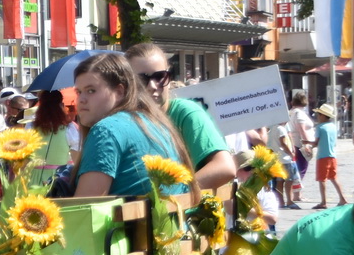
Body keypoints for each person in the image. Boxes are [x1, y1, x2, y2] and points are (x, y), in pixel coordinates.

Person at [72, 52, 195, 197]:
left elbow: (84, 209)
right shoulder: (158, 124)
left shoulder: (106, 130)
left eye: (91, 91)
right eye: (79, 92)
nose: (81, 100)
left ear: (119, 91)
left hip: (131, 220)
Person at [125, 42, 236, 190]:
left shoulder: (186, 112)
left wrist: (174, 197)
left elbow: (224, 167)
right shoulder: (123, 119)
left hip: (183, 211)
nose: (152, 86)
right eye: (142, 79)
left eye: (160, 77)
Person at [309, 103, 345, 208]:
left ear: (324, 116)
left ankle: (323, 202)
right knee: (334, 178)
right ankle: (342, 198)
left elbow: (316, 143)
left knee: (322, 180)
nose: (318, 116)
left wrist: (306, 142)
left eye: (319, 114)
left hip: (322, 156)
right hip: (333, 156)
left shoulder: (320, 127)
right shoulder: (333, 127)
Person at [285, 91, 315, 206]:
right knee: (301, 169)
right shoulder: (299, 114)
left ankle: (296, 193)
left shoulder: (291, 112)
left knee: (297, 169)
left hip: (295, 144)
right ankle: (296, 194)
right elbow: (301, 129)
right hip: (300, 145)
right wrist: (306, 143)